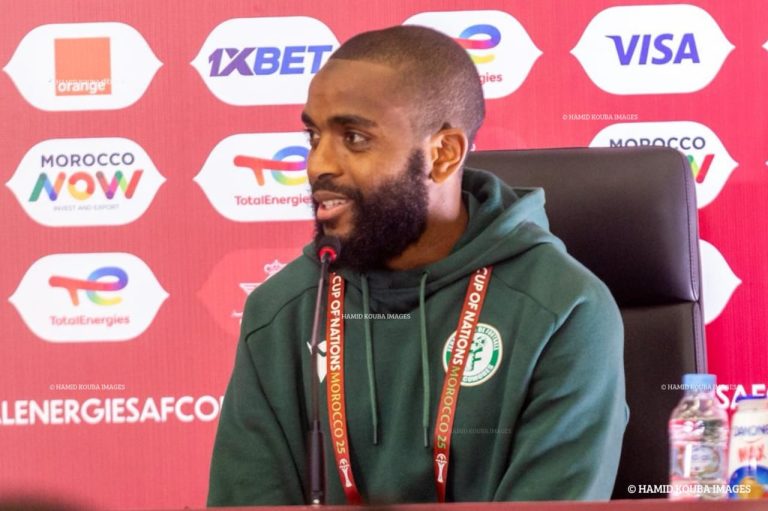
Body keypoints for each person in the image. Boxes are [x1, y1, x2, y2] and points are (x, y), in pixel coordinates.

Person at [207, 25, 627, 506]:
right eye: (313, 135)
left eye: (354, 138)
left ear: (443, 155)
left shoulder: (565, 308)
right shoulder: (281, 310)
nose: (317, 164)